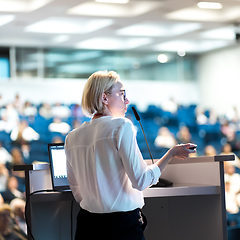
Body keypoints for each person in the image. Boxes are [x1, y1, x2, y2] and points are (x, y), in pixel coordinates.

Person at [65, 70, 196, 240]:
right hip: (120, 226)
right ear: (104, 98)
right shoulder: (121, 126)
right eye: (121, 94)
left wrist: (97, 202)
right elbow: (141, 181)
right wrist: (171, 154)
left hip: (87, 225)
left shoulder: (72, 137)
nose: (127, 100)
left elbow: (76, 190)